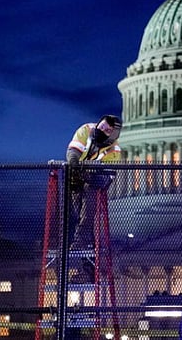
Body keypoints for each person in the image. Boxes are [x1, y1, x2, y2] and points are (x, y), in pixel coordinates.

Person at [65, 114, 122, 281]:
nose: (101, 130)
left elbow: (105, 178)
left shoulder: (114, 151)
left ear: (113, 135)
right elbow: (73, 151)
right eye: (102, 126)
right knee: (77, 218)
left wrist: (89, 175)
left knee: (87, 216)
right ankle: (86, 267)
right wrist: (75, 166)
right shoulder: (86, 130)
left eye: (107, 130)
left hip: (95, 183)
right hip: (75, 178)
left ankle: (84, 258)